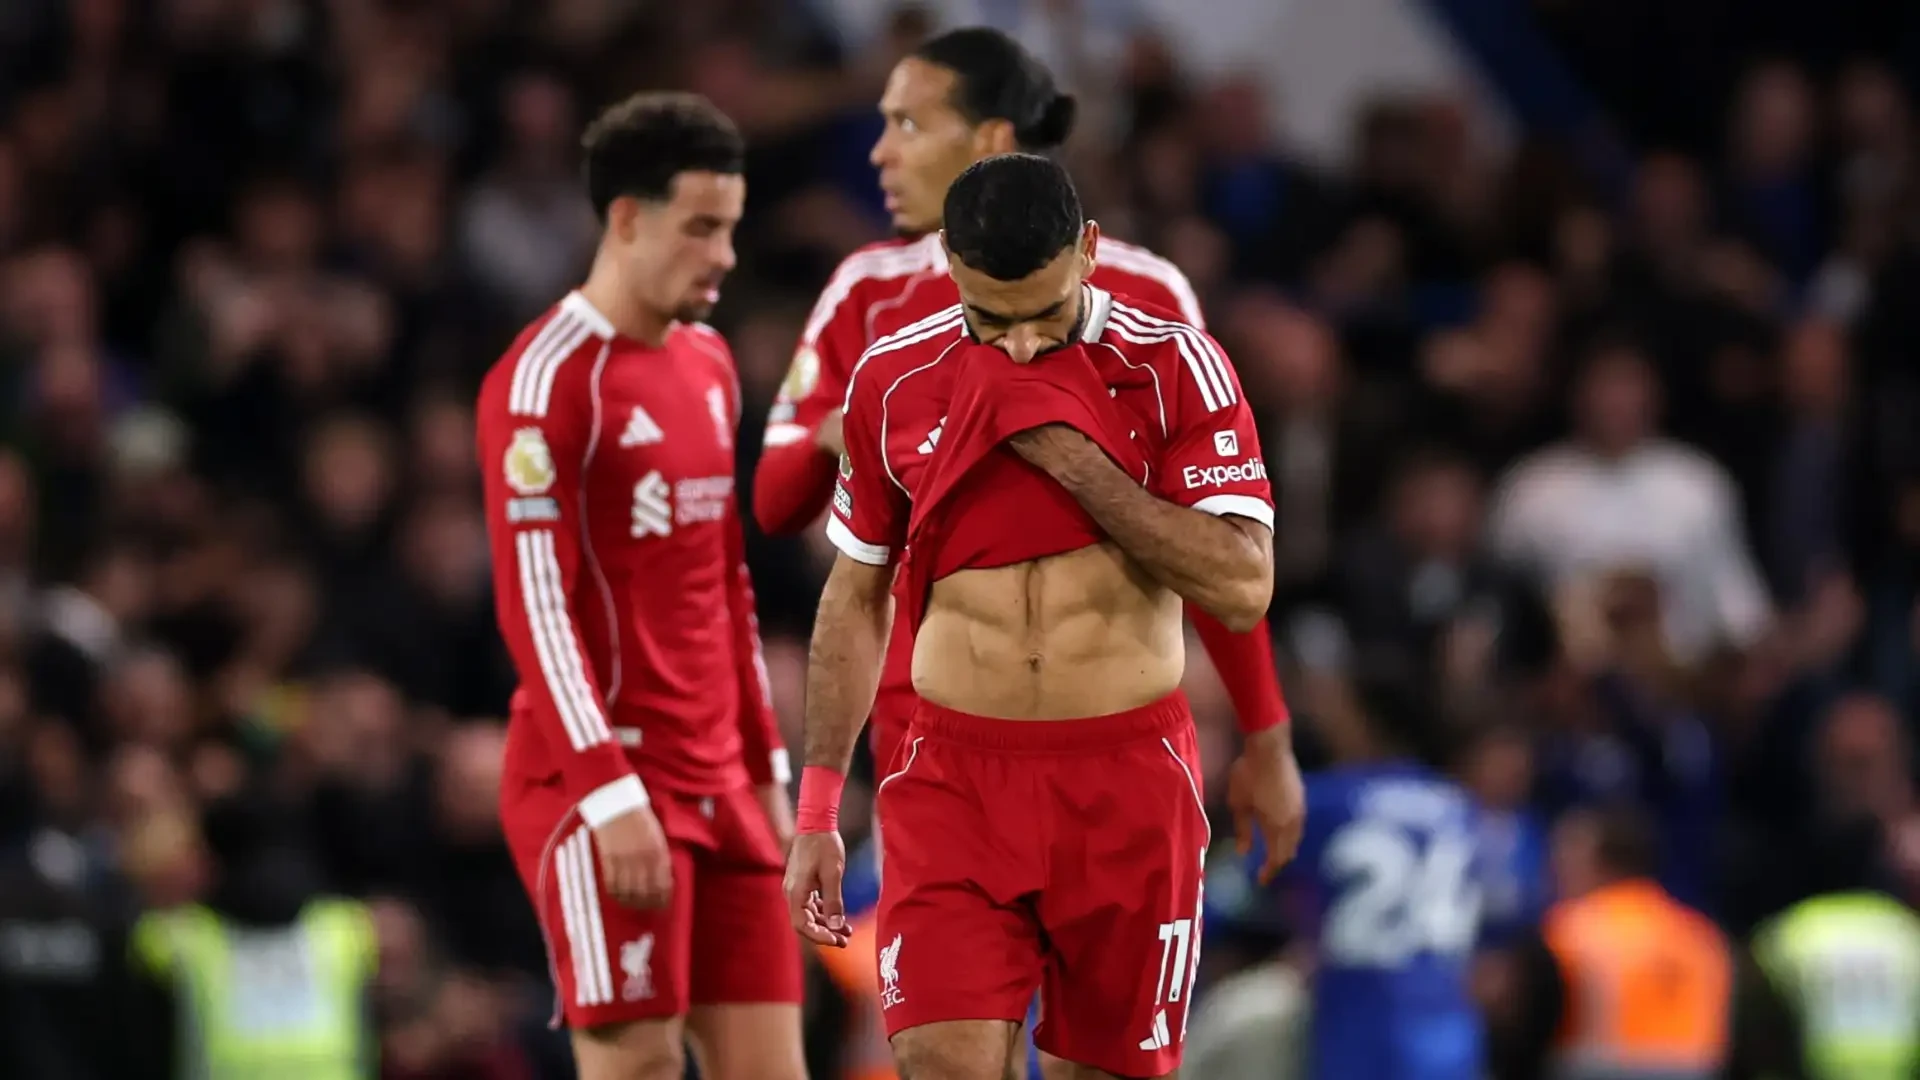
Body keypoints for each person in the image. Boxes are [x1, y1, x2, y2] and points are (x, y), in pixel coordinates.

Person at [785, 152, 1307, 1080]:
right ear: (950, 263)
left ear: (1089, 251)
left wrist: (1081, 469)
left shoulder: (1174, 365)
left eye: (1046, 314)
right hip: (954, 780)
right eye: (994, 319)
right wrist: (819, 809)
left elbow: (1241, 583)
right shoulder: (893, 378)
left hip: (1125, 782)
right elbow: (854, 597)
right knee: (942, 1064)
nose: (1023, 347)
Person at [754, 26, 1291, 793]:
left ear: (991, 140)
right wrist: (840, 434)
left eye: (908, 124)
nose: (881, 152)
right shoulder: (867, 294)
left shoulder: (1151, 298)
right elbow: (776, 505)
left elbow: (1215, 537)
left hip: (1108, 723)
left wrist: (1265, 733)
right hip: (924, 724)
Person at [474, 92, 804, 1080]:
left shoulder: (709, 362)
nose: (723, 255)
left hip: (722, 780)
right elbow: (535, 605)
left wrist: (764, 765)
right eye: (700, 227)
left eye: (731, 228)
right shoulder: (545, 379)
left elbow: (724, 578)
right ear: (626, 218)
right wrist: (609, 793)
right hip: (607, 779)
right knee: (641, 1064)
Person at [1260, 679, 1488, 1080]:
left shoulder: (1330, 801)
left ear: (1365, 720)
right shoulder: (1458, 807)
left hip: (1363, 1031)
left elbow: (1245, 885)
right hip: (1450, 1033)